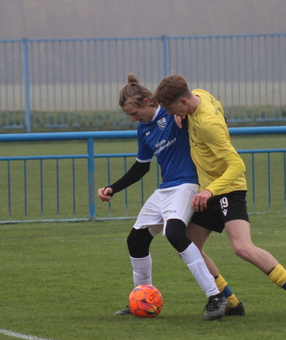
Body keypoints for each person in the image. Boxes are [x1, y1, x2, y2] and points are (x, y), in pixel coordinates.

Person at [153, 75, 286, 321]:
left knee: (242, 247)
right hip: (209, 190)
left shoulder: (208, 124)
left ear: (184, 101)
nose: (167, 112)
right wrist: (180, 116)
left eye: (171, 108)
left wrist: (210, 191)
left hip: (228, 189)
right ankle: (231, 302)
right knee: (188, 247)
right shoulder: (200, 93)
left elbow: (237, 165)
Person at [97, 74, 244, 320]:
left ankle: (215, 296)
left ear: (146, 101)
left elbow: (194, 101)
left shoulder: (174, 111)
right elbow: (141, 166)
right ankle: (141, 297)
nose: (133, 119)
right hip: (166, 189)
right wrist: (113, 188)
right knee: (136, 240)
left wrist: (181, 115)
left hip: (188, 185)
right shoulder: (144, 130)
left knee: (175, 234)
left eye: (134, 113)